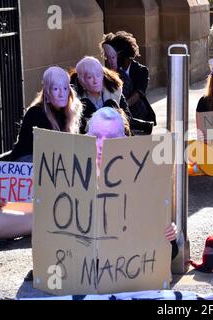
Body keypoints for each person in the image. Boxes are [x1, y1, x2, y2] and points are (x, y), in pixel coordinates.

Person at [86, 107, 178, 259]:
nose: (102, 144)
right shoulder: (69, 180)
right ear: (86, 137)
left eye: (110, 138)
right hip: (85, 272)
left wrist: (168, 235)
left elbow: (169, 253)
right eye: (96, 136)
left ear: (124, 139)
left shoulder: (142, 184)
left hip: (126, 270)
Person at [10, 66, 83, 162]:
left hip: (55, 162)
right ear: (47, 92)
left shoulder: (70, 111)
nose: (62, 94)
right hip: (30, 163)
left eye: (65, 88)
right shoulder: (36, 113)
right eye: (56, 89)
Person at [72, 56, 153, 135]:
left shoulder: (114, 90)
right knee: (86, 104)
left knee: (111, 104)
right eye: (90, 77)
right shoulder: (74, 97)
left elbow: (127, 117)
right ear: (81, 81)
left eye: (98, 75)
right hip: (90, 137)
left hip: (114, 134)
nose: (95, 81)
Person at [100, 32, 156, 125]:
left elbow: (138, 94)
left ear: (123, 55)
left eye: (114, 57)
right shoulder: (110, 72)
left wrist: (122, 107)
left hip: (138, 114)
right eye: (108, 58)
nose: (109, 61)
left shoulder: (141, 70)